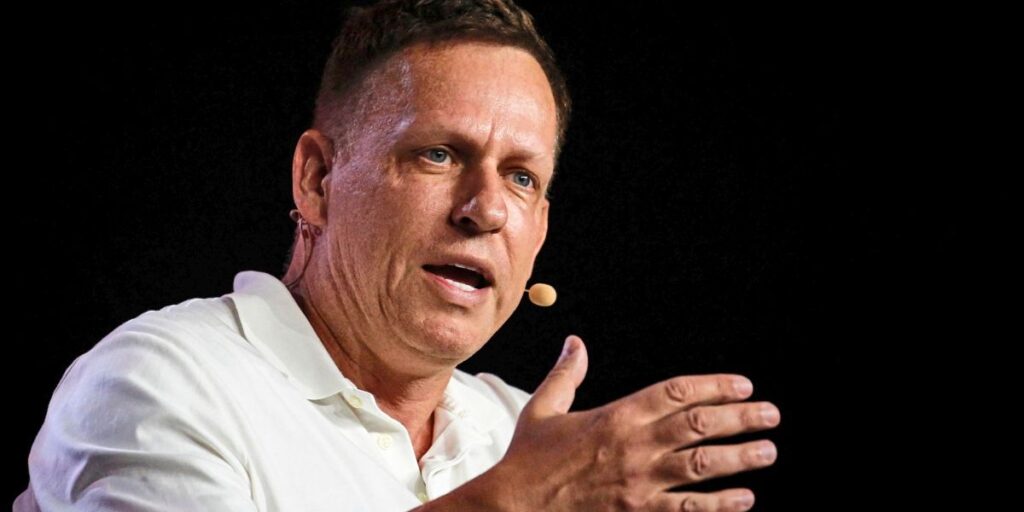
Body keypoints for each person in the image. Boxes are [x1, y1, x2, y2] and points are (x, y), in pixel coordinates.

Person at [17, 0, 780, 510]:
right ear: (317, 181)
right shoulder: (158, 382)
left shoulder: (519, 432)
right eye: (438, 155)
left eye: (522, 177)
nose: (486, 210)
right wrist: (507, 503)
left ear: (541, 230)